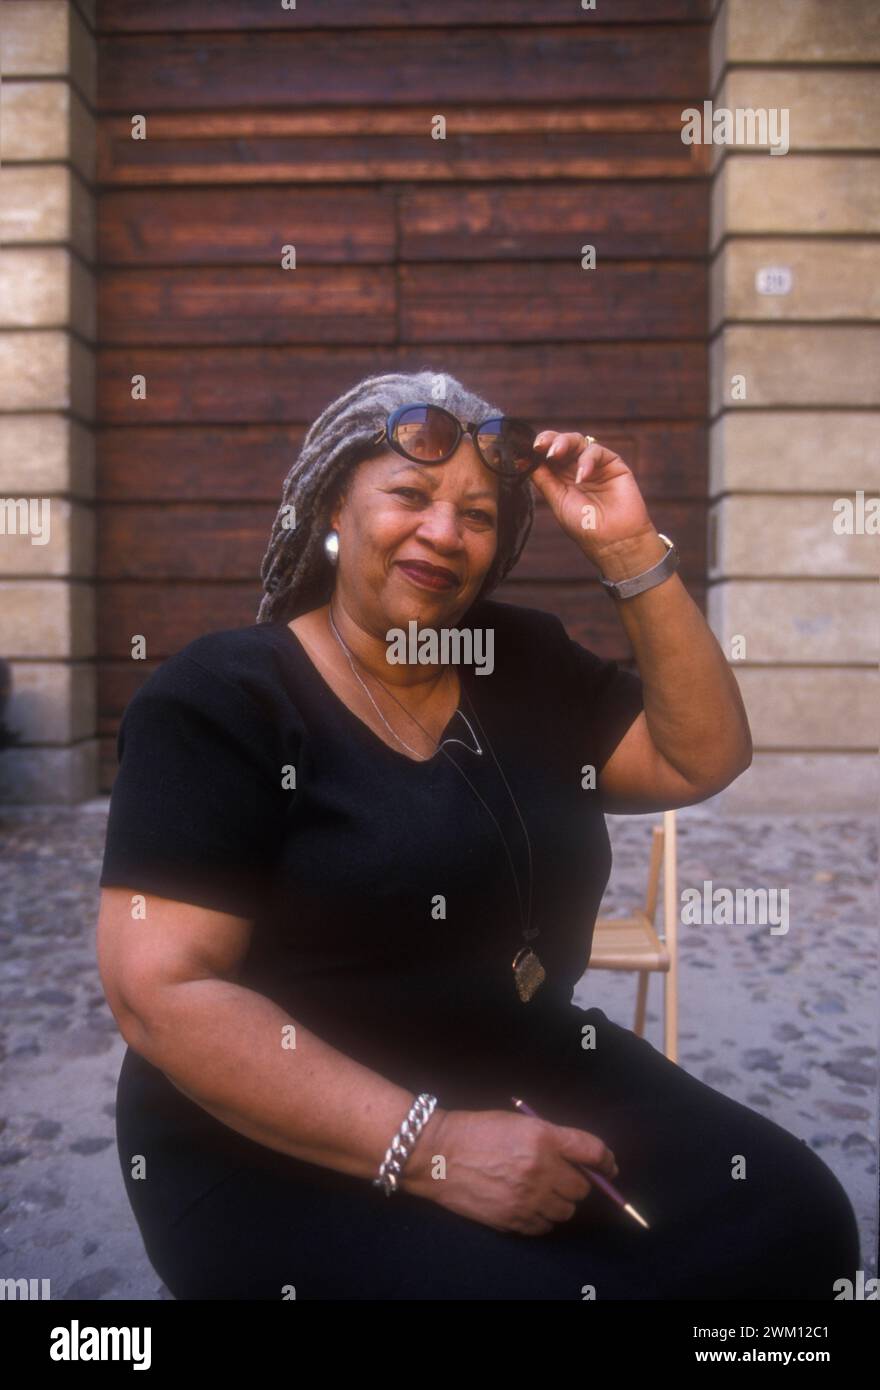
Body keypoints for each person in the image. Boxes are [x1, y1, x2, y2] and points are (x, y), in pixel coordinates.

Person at [96, 369, 860, 1300]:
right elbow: (162, 993)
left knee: (796, 1227)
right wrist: (434, 1148)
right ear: (335, 503)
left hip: (518, 1059)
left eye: (479, 515)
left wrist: (627, 550)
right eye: (410, 495)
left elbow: (701, 757)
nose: (445, 533)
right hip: (270, 1129)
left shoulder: (521, 658)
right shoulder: (221, 699)